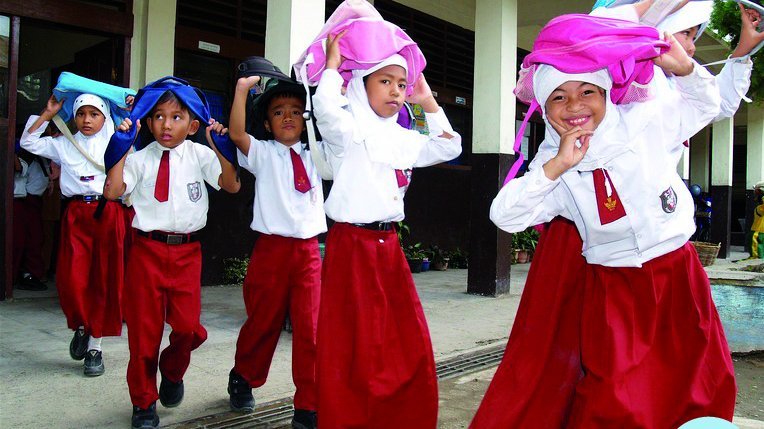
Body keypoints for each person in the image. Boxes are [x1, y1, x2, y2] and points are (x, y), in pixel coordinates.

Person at [477, 19, 735, 428]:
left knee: (694, 381)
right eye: (558, 97)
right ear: (545, 110)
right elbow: (505, 215)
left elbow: (704, 107)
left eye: (587, 92)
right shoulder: (555, 161)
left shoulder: (643, 121)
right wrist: (557, 165)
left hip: (675, 274)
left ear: (605, 94)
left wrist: (686, 69)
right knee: (615, 395)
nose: (575, 105)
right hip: (613, 287)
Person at [311, 30, 462, 428]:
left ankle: (398, 415)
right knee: (353, 342)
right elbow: (326, 112)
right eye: (384, 81)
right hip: (352, 245)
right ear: (360, 85)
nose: (395, 91)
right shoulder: (347, 130)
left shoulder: (401, 136)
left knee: (403, 337)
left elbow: (449, 147)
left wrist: (426, 100)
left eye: (400, 83)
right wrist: (331, 67)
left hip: (389, 246)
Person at [103, 77, 240, 429]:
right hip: (147, 252)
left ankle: (173, 371)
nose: (167, 124)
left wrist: (222, 148)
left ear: (193, 125)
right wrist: (119, 149)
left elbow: (231, 184)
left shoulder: (199, 154)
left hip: (187, 253)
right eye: (159, 116)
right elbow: (113, 192)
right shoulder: (140, 159)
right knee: (143, 334)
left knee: (188, 327)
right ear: (148, 122)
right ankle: (143, 403)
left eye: (177, 117)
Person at [225, 75, 327, 429]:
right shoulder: (263, 153)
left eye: (296, 112)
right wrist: (241, 91)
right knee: (262, 322)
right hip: (270, 251)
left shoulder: (319, 153)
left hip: (308, 253)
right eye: (279, 112)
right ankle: (243, 375)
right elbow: (237, 134)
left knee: (311, 329)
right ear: (267, 123)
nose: (288, 118)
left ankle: (308, 405)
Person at [20, 92, 127, 377]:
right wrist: (48, 113)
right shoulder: (64, 144)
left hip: (108, 212)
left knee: (103, 280)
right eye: (81, 114)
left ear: (105, 118)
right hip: (76, 215)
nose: (87, 120)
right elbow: (27, 142)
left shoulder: (117, 142)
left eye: (94, 114)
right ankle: (81, 325)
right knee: (72, 279)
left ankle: (95, 346)